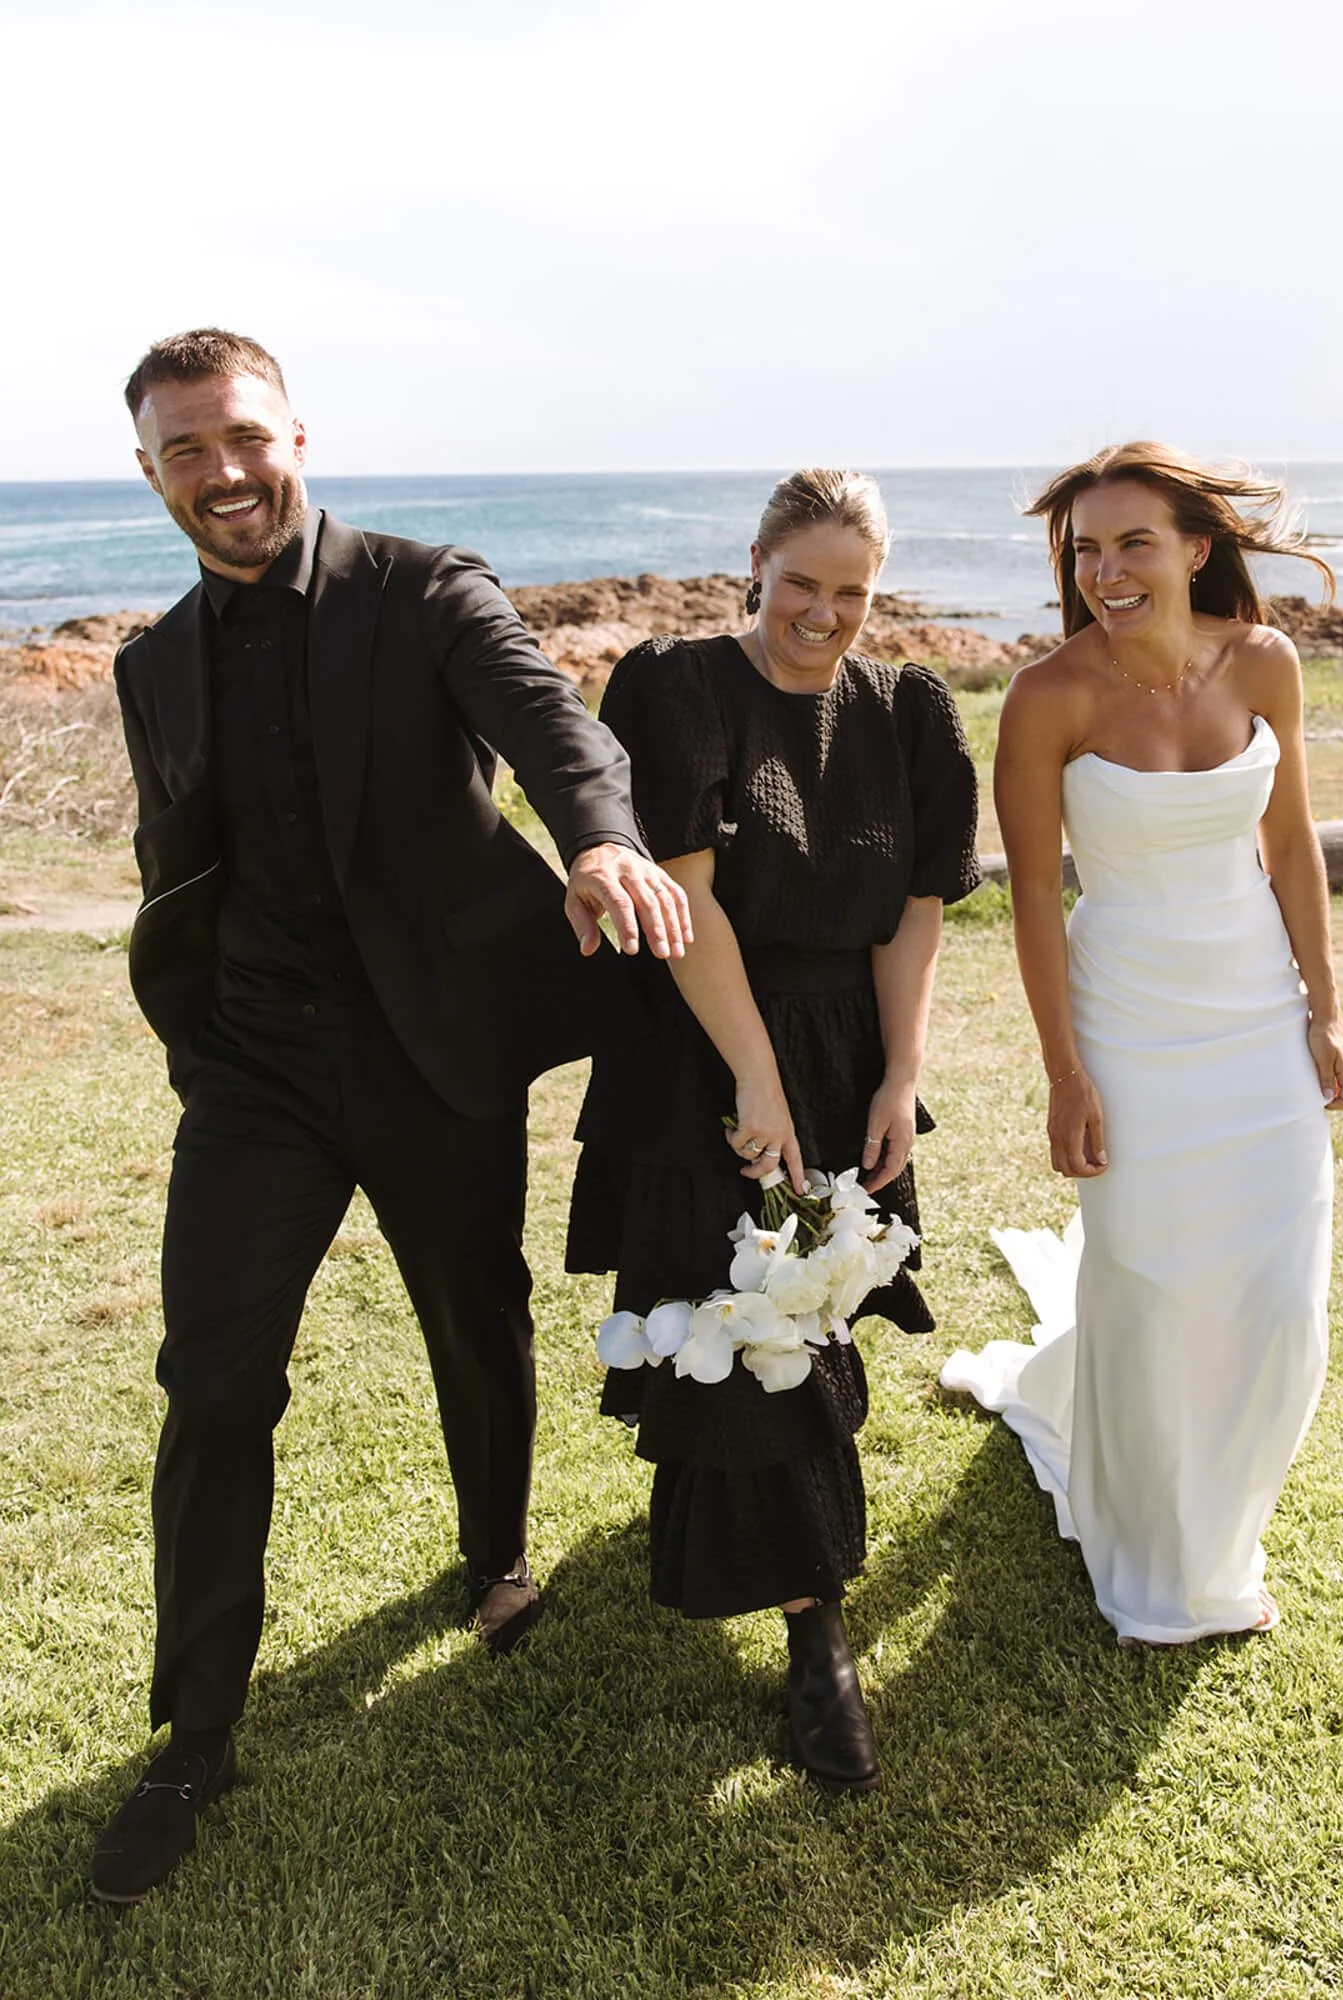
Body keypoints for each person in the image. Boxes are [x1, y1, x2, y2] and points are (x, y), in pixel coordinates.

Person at [90, 328, 690, 1903]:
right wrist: (201, 1034)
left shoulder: (423, 589)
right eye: (184, 453)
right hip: (252, 1074)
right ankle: (193, 1738)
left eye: (243, 437)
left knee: (471, 1316)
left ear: (296, 431)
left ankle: (494, 1556)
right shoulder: (150, 666)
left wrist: (600, 841)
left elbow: (554, 722)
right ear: (150, 471)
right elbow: (183, 862)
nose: (223, 474)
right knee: (214, 1387)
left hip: (432, 1049)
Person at [566, 469, 981, 1790]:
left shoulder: (912, 710)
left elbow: (917, 910)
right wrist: (754, 1079)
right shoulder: (674, 690)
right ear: (753, 564)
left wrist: (894, 1081)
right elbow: (689, 902)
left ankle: (775, 1590)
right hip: (706, 1036)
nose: (823, 613)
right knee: (734, 1323)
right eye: (799, 582)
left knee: (794, 1324)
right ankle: (819, 1638)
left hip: (846, 1045)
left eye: (851, 592)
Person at [942, 441, 1343, 1647]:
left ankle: (1221, 1530)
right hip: (1125, 1025)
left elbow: (1292, 845)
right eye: (1082, 549)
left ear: (1191, 546)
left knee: (1277, 1302)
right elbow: (1028, 897)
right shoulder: (1046, 695)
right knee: (1153, 1290)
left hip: (1254, 1017)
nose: (1104, 570)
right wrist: (1063, 1073)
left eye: (1130, 542)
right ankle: (1152, 1561)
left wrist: (1323, 1006)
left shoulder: (1263, 663)